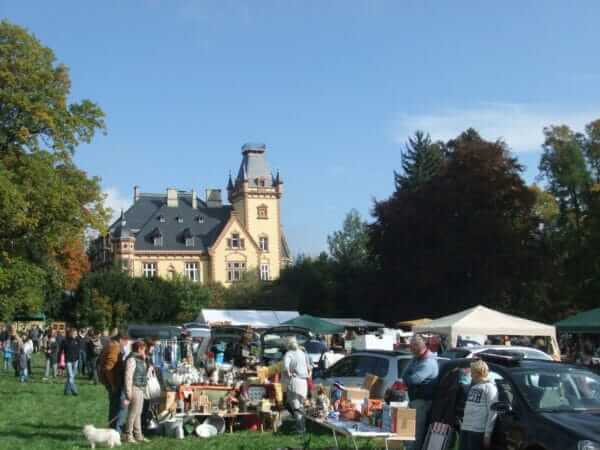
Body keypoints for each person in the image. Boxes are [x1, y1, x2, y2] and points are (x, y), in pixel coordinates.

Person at [404, 335, 439, 450]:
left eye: (412, 348)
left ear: (418, 347)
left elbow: (415, 379)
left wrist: (408, 378)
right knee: (409, 431)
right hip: (414, 400)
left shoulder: (428, 362)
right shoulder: (416, 358)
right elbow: (404, 374)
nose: (411, 350)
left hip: (422, 402)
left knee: (415, 433)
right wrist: (408, 377)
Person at [459, 360, 498, 450]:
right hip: (466, 428)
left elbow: (492, 411)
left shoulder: (490, 387)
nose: (471, 375)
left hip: (477, 430)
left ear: (477, 373)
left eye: (472, 372)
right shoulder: (474, 387)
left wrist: (487, 434)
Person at [99, 332, 129, 433]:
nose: (126, 344)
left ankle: (112, 429)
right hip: (114, 382)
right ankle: (117, 431)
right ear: (121, 339)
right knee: (120, 407)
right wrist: (112, 384)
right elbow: (108, 368)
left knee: (114, 406)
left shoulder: (110, 344)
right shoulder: (115, 347)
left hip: (112, 382)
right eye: (126, 341)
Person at [283, 336, 312, 433]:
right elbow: (310, 368)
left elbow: (286, 367)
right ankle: (302, 426)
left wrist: (289, 374)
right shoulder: (303, 353)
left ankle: (300, 428)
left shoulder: (289, 354)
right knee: (301, 405)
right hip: (304, 382)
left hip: (295, 381)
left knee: (295, 405)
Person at [123, 340, 150, 444]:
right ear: (139, 349)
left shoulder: (140, 359)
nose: (145, 351)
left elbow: (143, 375)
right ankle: (128, 435)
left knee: (138, 413)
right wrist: (128, 392)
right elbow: (128, 376)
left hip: (141, 388)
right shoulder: (131, 359)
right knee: (133, 413)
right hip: (134, 388)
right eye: (144, 349)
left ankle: (138, 435)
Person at [60, 328, 81, 395]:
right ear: (70, 334)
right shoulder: (65, 341)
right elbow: (60, 351)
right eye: (74, 333)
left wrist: (78, 358)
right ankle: (74, 390)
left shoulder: (77, 340)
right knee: (71, 376)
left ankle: (66, 391)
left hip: (75, 360)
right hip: (68, 360)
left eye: (76, 334)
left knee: (71, 376)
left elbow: (79, 349)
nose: (75, 335)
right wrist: (58, 361)